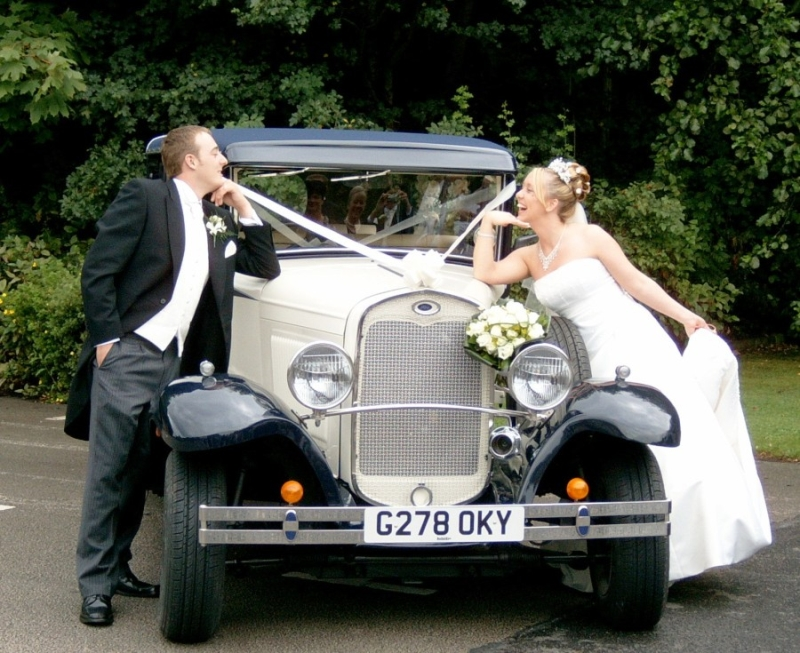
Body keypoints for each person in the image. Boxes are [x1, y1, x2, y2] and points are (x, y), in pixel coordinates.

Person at [472, 158, 772, 584]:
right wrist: (488, 223)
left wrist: (687, 318)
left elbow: (636, 283)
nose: (518, 196)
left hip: (631, 341)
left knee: (661, 441)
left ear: (552, 203)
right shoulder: (530, 255)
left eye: (527, 190)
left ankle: (678, 551)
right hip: (586, 360)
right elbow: (486, 273)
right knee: (612, 443)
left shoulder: (590, 237)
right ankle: (628, 548)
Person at [64, 125, 281, 626]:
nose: (223, 160)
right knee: (109, 470)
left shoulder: (216, 217)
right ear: (190, 161)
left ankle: (118, 567)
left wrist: (244, 207)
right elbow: (98, 271)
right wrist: (108, 342)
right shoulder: (145, 197)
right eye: (215, 152)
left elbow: (264, 265)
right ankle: (94, 586)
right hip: (129, 353)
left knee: (141, 469)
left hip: (178, 363)